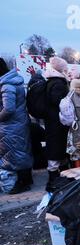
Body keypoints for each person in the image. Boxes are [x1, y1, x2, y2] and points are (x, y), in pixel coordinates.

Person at [0, 57, 33, 194]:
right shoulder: (14, 81)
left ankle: (23, 182)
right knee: (21, 151)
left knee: (16, 153)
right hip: (18, 123)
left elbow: (8, 108)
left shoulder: (7, 85)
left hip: (11, 125)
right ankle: (27, 179)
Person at [44, 57, 70, 188]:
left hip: (54, 121)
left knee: (59, 148)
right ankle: (53, 180)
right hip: (56, 122)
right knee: (55, 149)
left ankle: (61, 176)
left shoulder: (52, 81)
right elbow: (59, 103)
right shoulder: (58, 83)